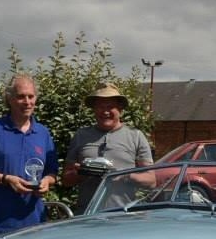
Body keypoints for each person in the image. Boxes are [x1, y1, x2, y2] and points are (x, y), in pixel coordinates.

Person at [0, 74, 58, 236]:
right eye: (21, 97)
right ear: (10, 99)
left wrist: (46, 182)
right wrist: (6, 179)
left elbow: (52, 172)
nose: (27, 102)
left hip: (35, 225)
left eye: (31, 96)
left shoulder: (43, 133)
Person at [63, 83, 154, 211]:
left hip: (123, 215)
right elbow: (66, 180)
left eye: (110, 107)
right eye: (100, 107)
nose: (105, 111)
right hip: (87, 214)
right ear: (94, 109)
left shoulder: (136, 136)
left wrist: (125, 176)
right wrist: (82, 173)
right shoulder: (81, 136)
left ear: (120, 109)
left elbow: (151, 180)